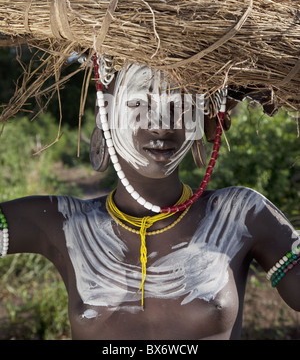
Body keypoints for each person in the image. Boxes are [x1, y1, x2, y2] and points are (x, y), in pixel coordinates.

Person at [0, 55, 300, 341]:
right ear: (104, 110)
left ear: (200, 115)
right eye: (139, 103)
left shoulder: (240, 215)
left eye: (179, 105)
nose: (161, 125)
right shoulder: (61, 223)